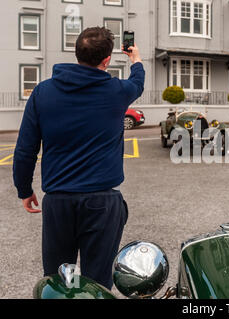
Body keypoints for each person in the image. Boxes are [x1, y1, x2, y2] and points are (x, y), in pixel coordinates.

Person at [12, 27, 145, 289]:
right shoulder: (117, 91)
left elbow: (26, 148)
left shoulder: (42, 93)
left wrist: (24, 189)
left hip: (58, 202)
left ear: (77, 54)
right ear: (106, 60)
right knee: (97, 280)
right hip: (102, 203)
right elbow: (138, 82)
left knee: (62, 280)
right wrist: (135, 59)